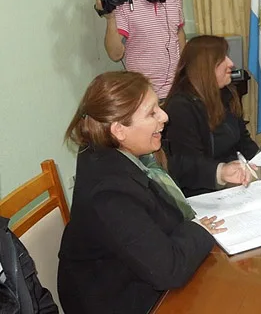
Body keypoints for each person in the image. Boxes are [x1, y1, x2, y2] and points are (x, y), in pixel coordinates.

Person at [58, 71, 224, 314]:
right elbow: (169, 271)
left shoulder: (117, 152)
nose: (164, 117)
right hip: (116, 300)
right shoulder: (108, 193)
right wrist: (200, 229)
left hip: (137, 276)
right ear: (119, 130)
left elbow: (171, 177)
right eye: (152, 113)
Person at [162, 35, 259, 197]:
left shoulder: (226, 93)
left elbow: (244, 142)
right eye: (223, 59)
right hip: (204, 194)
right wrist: (221, 171)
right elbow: (187, 166)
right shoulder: (180, 107)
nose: (231, 63)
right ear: (205, 67)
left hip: (234, 185)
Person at [94, 0, 186, 100]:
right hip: (144, 98)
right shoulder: (124, 0)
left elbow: (179, 34)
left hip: (177, 93)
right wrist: (110, 18)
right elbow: (115, 55)